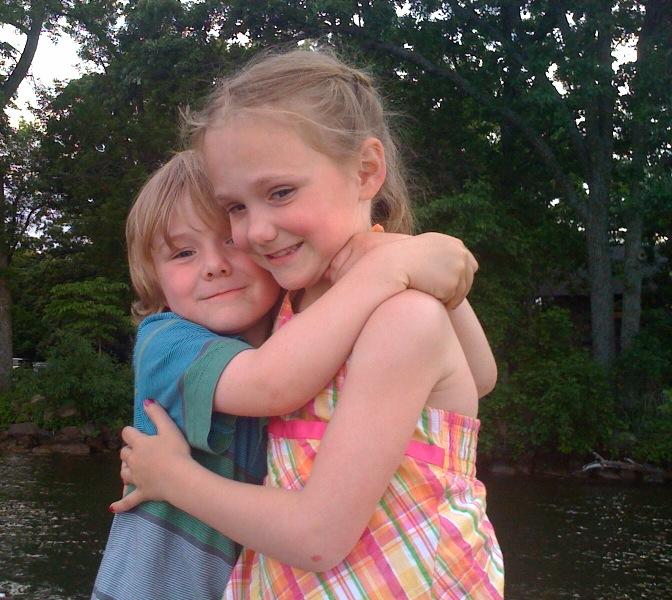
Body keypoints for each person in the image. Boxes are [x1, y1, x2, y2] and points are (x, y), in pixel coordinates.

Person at [115, 49, 505, 599]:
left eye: (280, 193)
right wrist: (396, 262)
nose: (256, 232)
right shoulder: (293, 309)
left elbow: (475, 380)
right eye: (236, 207)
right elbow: (475, 378)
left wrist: (406, 259)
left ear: (366, 171)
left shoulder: (402, 315)